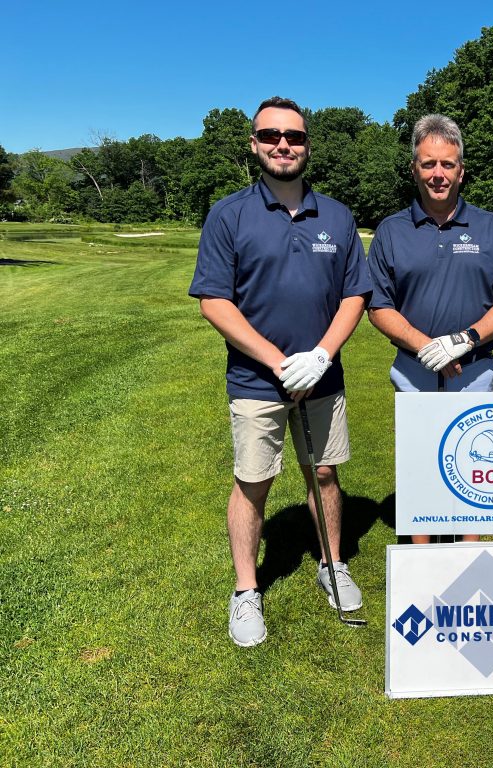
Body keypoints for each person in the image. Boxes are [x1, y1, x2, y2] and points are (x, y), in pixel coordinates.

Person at [189, 96, 372, 647]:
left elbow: (355, 293)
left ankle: (332, 563)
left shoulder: (337, 215)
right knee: (254, 481)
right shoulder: (229, 213)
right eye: (270, 136)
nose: (282, 145)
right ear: (254, 144)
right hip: (256, 381)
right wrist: (277, 361)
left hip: (323, 376)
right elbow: (215, 302)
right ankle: (247, 590)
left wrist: (321, 354)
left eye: (293, 136)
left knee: (324, 474)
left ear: (307, 144)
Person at [366, 114, 493, 544]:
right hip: (413, 369)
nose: (438, 174)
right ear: (414, 168)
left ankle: (466, 554)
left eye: (448, 164)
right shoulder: (392, 231)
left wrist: (464, 340)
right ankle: (421, 556)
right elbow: (378, 306)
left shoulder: (490, 227)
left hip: (473, 368)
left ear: (461, 170)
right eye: (429, 164)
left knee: (471, 465)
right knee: (420, 463)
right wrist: (425, 346)